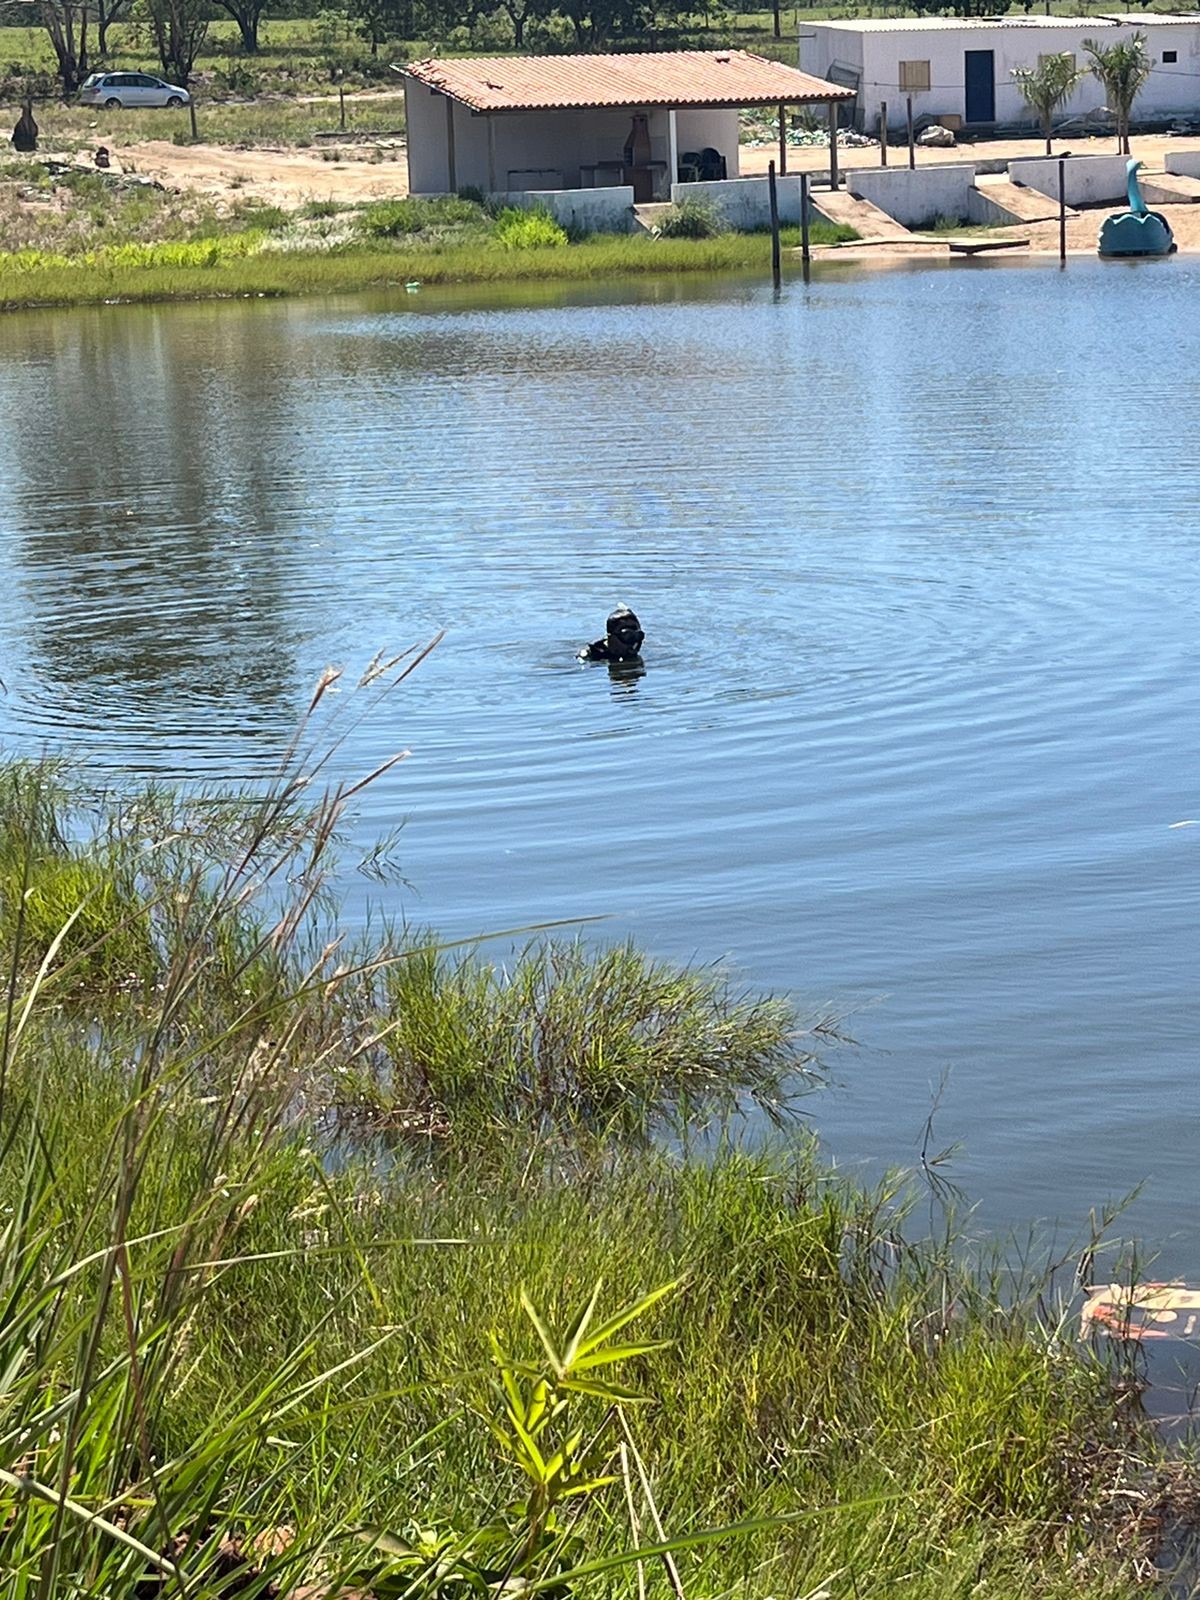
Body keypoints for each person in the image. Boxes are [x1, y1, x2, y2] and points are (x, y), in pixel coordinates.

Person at [578, 605, 644, 663]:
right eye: (627, 636)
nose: (634, 644)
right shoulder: (590, 656)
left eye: (639, 636)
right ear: (611, 638)